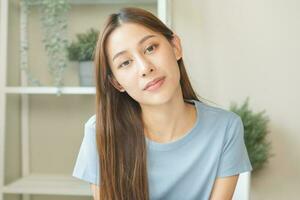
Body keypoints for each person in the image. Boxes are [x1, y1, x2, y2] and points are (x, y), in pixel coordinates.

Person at [72, 7, 252, 200]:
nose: (145, 68)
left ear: (175, 47)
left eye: (150, 48)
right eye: (125, 63)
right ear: (116, 83)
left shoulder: (225, 128)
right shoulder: (100, 132)